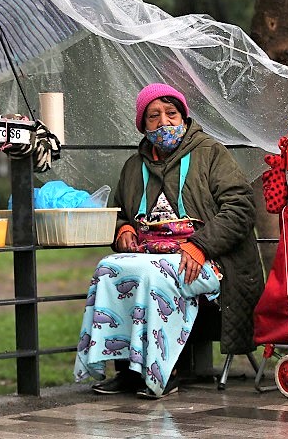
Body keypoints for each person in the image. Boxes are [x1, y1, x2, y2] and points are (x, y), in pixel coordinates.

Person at [74, 82, 263, 399]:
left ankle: (162, 371)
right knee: (108, 269)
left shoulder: (210, 153)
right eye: (153, 116)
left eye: (171, 114)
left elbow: (241, 209)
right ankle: (127, 369)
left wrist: (201, 245)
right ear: (142, 125)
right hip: (151, 254)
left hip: (211, 258)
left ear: (184, 117)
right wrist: (122, 229)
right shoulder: (135, 166)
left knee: (155, 274)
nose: (163, 122)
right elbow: (118, 212)